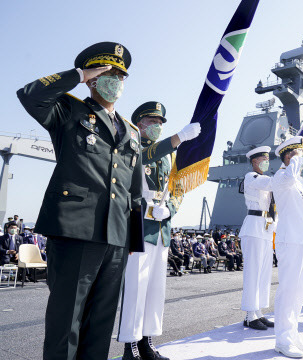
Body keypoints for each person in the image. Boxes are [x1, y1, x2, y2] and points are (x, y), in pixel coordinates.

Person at [17, 42, 145, 359]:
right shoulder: (69, 111)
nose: (115, 80)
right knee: (67, 321)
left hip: (116, 237)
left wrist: (134, 240)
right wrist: (77, 74)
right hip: (75, 230)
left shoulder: (132, 132)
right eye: (107, 73)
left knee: (100, 324)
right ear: (91, 79)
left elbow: (136, 192)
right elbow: (30, 95)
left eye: (120, 75)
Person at [118, 101, 199, 360]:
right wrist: (178, 138)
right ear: (138, 124)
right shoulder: (130, 146)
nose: (157, 127)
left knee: (155, 288)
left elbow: (177, 188)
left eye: (160, 123)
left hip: (161, 227)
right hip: (138, 224)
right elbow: (141, 161)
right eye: (152, 122)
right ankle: (130, 344)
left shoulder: (168, 156)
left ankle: (147, 341)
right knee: (135, 287)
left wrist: (171, 209)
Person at [272, 136, 303, 358]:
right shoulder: (281, 177)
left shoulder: (298, 181)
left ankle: (293, 333)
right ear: (289, 156)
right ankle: (282, 339)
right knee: (288, 290)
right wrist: (295, 160)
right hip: (290, 240)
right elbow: (289, 175)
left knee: (298, 291)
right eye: (299, 154)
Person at [238, 146, 276, 330]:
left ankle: (259, 311)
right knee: (253, 272)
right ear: (254, 161)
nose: (267, 162)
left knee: (264, 273)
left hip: (266, 228)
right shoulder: (251, 177)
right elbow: (269, 183)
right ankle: (249, 315)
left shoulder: (266, 180)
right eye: (263, 159)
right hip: (253, 226)